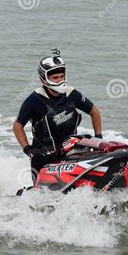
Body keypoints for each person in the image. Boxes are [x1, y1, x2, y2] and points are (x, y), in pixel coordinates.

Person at [13, 49, 102, 183]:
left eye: (61, 76)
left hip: (70, 154)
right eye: (55, 78)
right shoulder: (34, 100)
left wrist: (98, 138)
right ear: (43, 79)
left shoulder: (71, 94)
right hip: (43, 159)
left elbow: (94, 112)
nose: (60, 80)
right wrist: (27, 149)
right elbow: (17, 126)